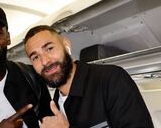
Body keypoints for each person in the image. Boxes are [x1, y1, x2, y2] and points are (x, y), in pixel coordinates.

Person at [24, 25, 154, 128]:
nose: (45, 61)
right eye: (35, 57)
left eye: (49, 48)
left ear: (66, 45)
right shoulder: (56, 104)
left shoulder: (111, 79)